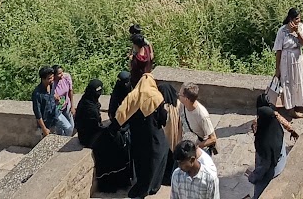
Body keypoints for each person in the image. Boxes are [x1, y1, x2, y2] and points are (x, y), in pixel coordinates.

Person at [114, 67, 170, 198]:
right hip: (153, 134)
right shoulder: (157, 96)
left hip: (138, 135)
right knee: (158, 155)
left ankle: (141, 184)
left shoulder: (133, 95)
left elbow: (121, 113)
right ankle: (153, 186)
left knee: (140, 160)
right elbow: (163, 118)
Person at [76, 78, 133, 192]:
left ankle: (121, 179)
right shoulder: (88, 107)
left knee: (119, 139)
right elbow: (93, 127)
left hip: (95, 133)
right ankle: (112, 182)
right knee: (114, 145)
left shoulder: (90, 101)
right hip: (89, 138)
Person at [248, 94, 297, 197]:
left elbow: (264, 166)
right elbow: (286, 124)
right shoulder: (273, 116)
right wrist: (293, 132)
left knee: (259, 186)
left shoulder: (264, 143)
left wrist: (253, 177)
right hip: (280, 159)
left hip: (272, 168)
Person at [272, 8, 303, 115]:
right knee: (288, 83)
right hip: (286, 59)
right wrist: (277, 69)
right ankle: (290, 109)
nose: (298, 21)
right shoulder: (282, 31)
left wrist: (297, 32)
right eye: (297, 18)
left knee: (298, 81)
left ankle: (297, 105)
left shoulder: (300, 27)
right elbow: (278, 51)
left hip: (297, 57)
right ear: (291, 19)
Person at [32, 66, 74, 138]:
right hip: (46, 120)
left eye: (52, 77)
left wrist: (55, 97)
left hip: (56, 113)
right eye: (49, 78)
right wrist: (44, 129)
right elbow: (38, 113)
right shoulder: (37, 94)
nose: (52, 80)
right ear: (43, 79)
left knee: (69, 128)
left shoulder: (51, 85)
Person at [178, 85, 216, 156]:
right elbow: (181, 122)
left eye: (180, 94)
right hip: (186, 148)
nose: (178, 96)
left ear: (186, 99)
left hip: (200, 152)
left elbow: (213, 139)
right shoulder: (183, 105)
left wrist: (196, 148)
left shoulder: (202, 115)